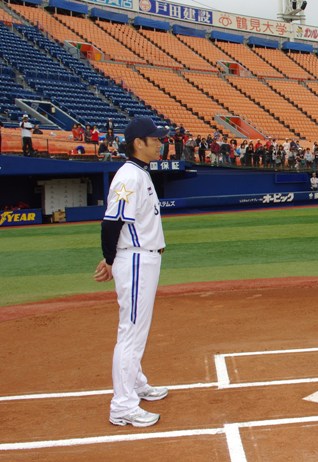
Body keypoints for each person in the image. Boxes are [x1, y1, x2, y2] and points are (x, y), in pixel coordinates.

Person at [94, 117, 170, 427]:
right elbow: (111, 222)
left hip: (143, 258)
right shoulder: (128, 176)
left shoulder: (139, 172)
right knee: (131, 332)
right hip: (136, 259)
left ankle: (136, 383)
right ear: (138, 143)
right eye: (155, 139)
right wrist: (110, 259)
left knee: (137, 328)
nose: (160, 143)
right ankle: (122, 406)